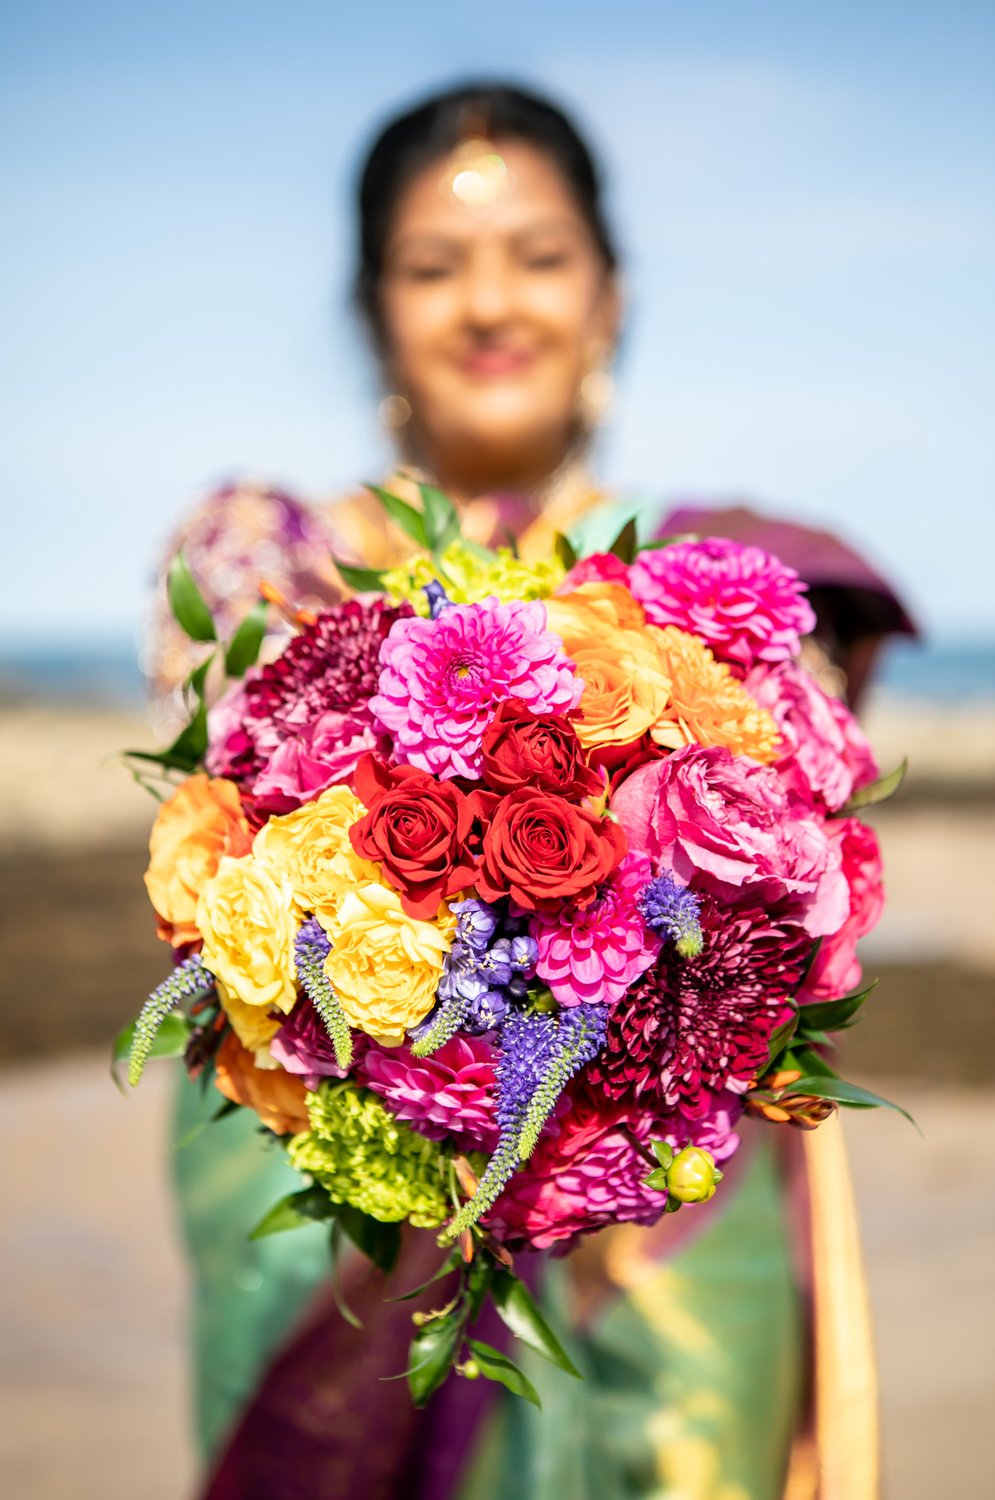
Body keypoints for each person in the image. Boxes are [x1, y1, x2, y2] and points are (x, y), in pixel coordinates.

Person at [149, 81, 909, 1499]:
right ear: (376, 307)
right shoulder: (268, 564)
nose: (491, 304)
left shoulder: (708, 588)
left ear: (609, 299)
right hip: (349, 1219)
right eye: (437, 267)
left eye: (539, 259)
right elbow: (222, 886)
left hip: (666, 1239)